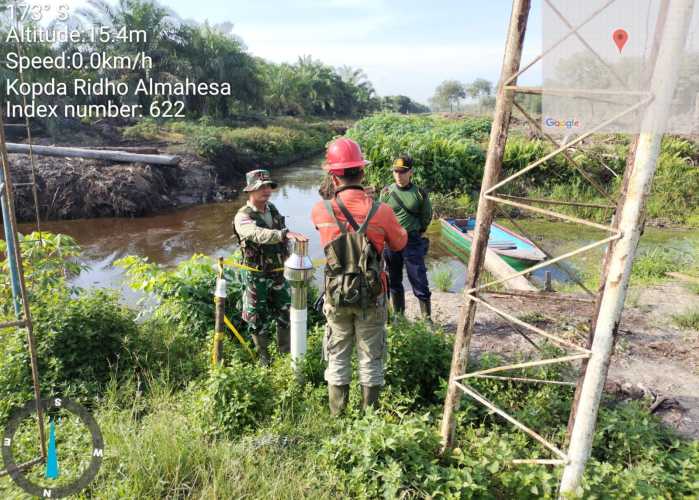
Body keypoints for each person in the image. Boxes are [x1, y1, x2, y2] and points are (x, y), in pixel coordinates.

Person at [311, 138, 407, 415]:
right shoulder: (382, 211)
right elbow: (399, 244)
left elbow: (325, 232)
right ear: (362, 172)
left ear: (333, 175)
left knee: (338, 355)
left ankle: (337, 415)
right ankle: (369, 417)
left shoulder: (321, 210)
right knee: (370, 357)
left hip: (336, 294)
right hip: (372, 295)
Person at [233, 169, 308, 366]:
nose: (266, 190)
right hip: (255, 275)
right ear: (250, 190)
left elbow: (283, 240)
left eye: (268, 186)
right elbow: (257, 234)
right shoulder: (243, 216)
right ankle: (263, 360)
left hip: (278, 273)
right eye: (260, 187)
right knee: (257, 317)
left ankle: (285, 354)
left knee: (285, 312)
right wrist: (283, 234)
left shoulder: (273, 209)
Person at [380, 155, 433, 320]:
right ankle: (399, 316)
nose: (398, 175)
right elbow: (380, 216)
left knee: (419, 278)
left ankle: (426, 319)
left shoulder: (419, 193)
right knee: (394, 280)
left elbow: (426, 217)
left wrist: (415, 231)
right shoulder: (386, 192)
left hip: (412, 241)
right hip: (391, 243)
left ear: (411, 172)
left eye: (402, 172)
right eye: (396, 172)